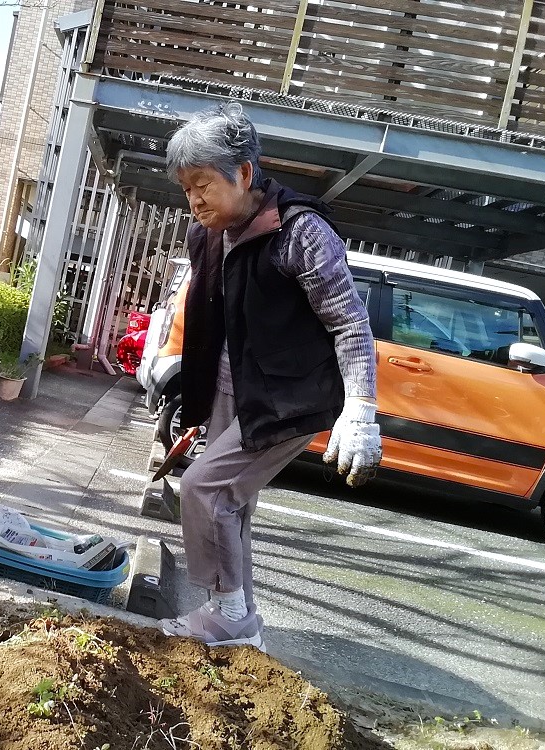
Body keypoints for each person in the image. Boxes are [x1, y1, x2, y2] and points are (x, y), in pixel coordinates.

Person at [158, 102, 381, 649]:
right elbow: (211, 319)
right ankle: (240, 621)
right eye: (186, 188)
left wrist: (361, 410)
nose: (194, 200)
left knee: (205, 490)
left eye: (203, 183)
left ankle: (229, 614)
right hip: (238, 386)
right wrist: (195, 405)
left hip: (291, 395)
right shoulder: (208, 234)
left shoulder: (301, 232)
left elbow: (350, 324)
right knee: (231, 503)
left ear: (244, 173)